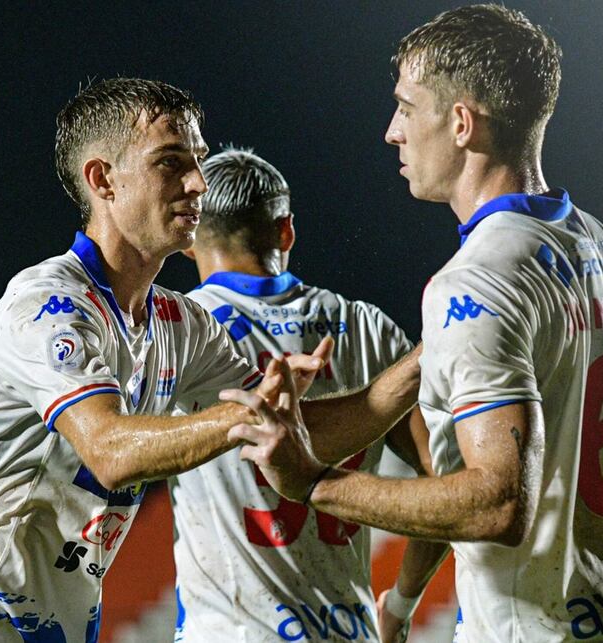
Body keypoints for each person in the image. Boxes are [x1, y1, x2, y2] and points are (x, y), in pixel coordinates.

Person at [222, 5, 603, 642]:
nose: (392, 131)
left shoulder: (473, 282)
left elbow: (498, 502)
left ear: (461, 123)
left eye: (406, 107)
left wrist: (316, 484)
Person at [0, 78, 334, 643]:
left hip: (58, 627)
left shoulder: (182, 323)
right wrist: (249, 414)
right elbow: (111, 451)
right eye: (171, 162)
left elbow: (296, 429)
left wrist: (413, 373)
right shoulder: (47, 304)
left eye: (199, 161)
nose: (198, 182)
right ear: (103, 180)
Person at [170, 147, 426, 641]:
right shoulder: (367, 327)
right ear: (286, 231)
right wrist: (400, 603)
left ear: (190, 239)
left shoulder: (181, 328)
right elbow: (444, 474)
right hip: (348, 632)